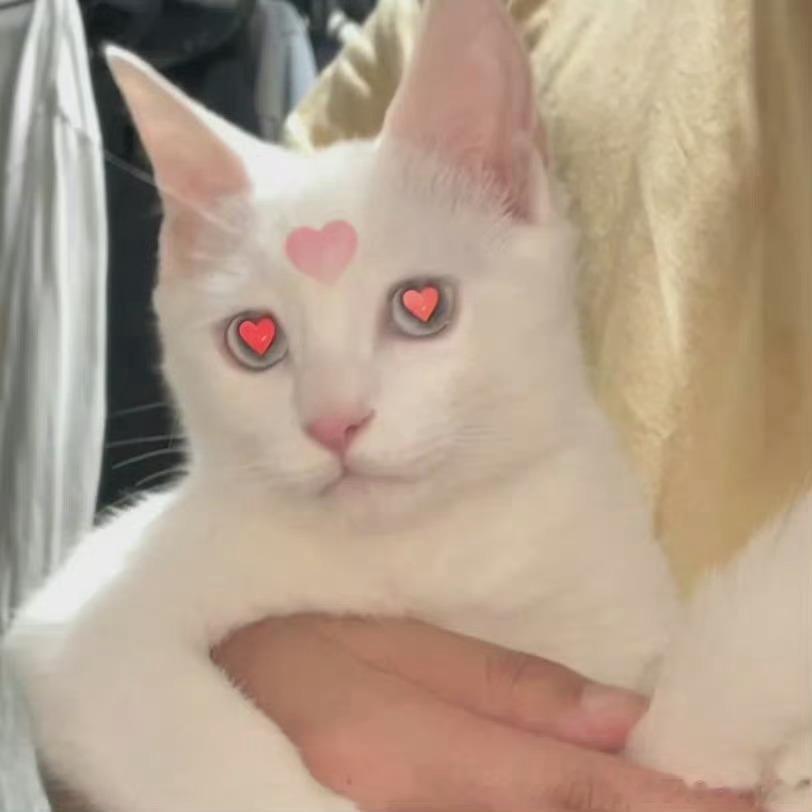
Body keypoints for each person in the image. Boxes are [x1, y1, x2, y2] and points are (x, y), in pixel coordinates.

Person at [44, 0, 811, 809]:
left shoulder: (588, 523)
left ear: (511, 194)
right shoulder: (226, 547)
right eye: (258, 341)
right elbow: (55, 648)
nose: (332, 413)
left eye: (419, 310)